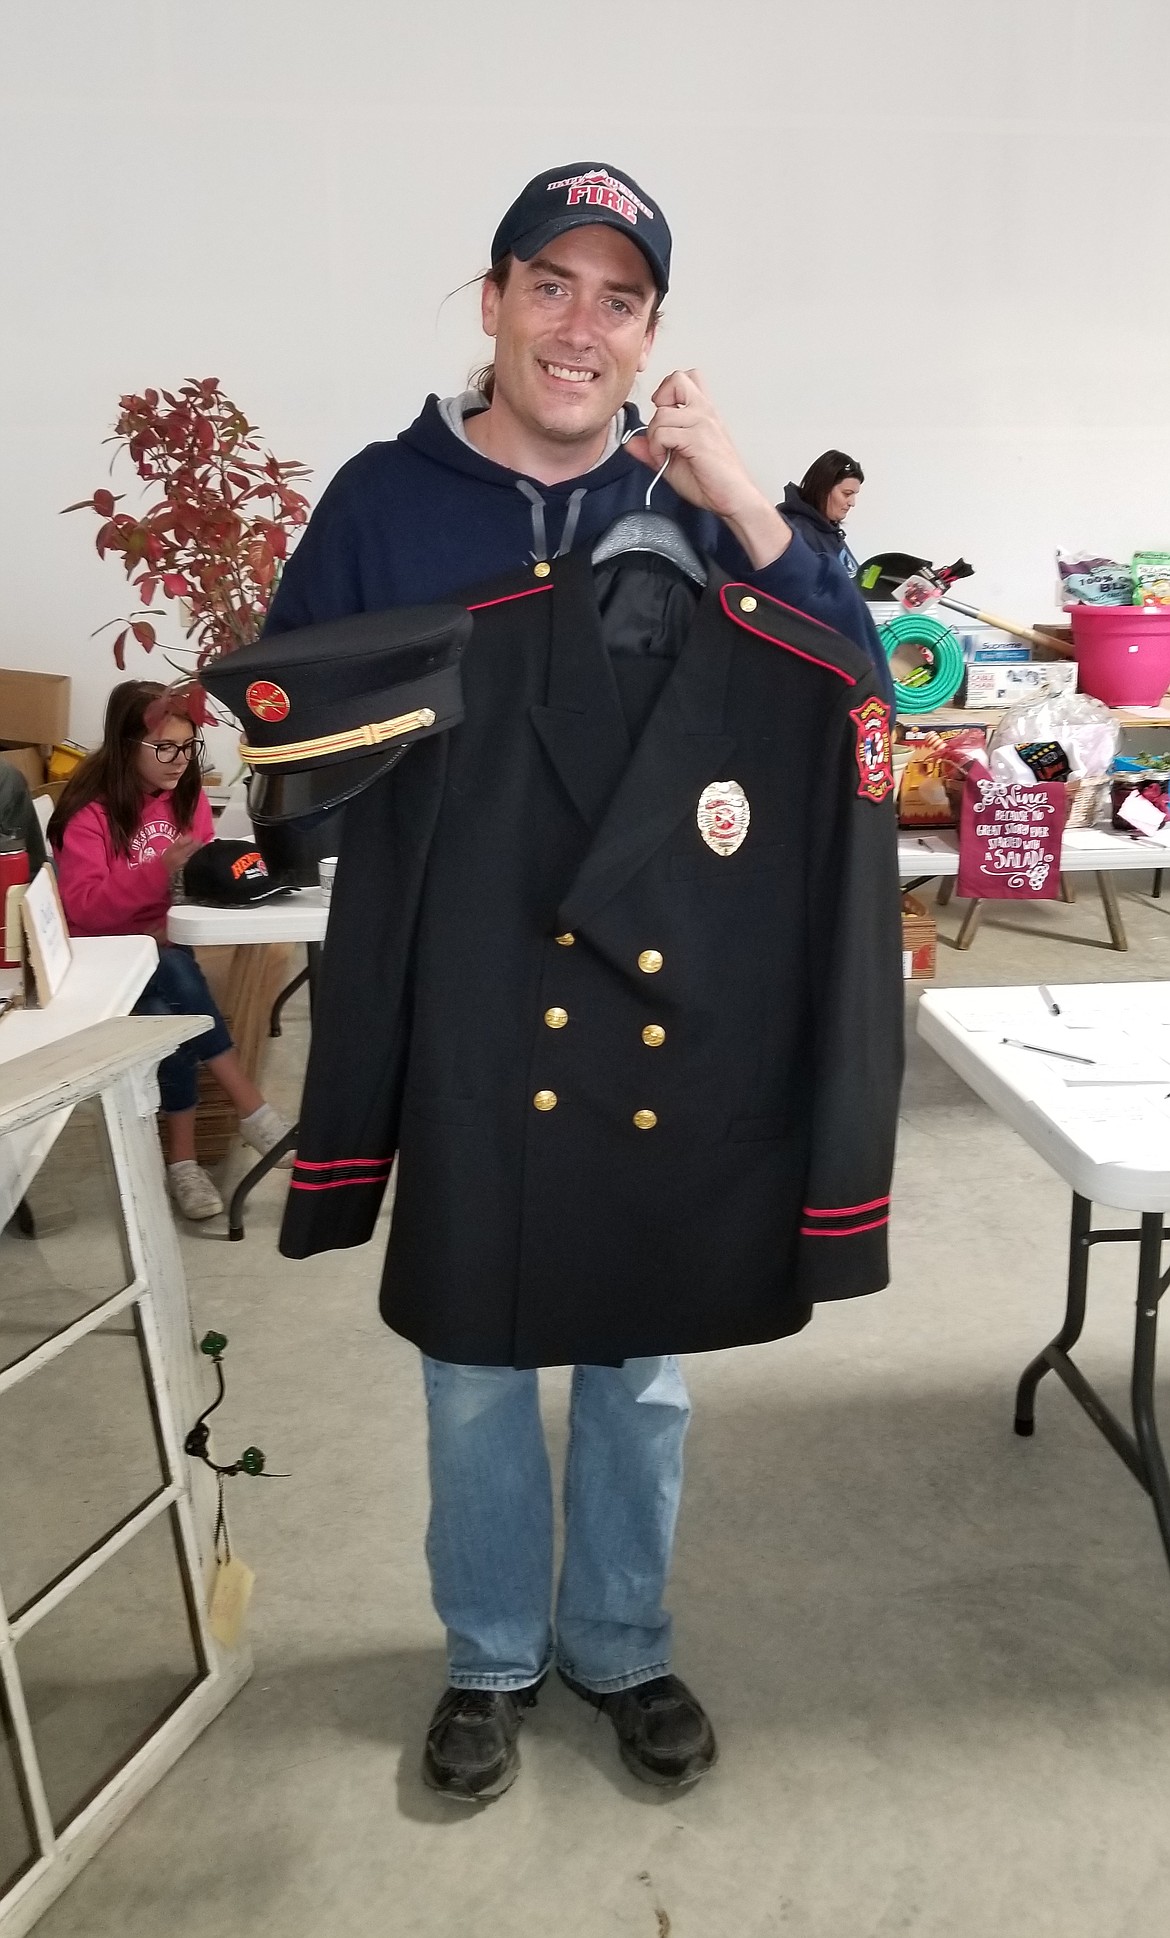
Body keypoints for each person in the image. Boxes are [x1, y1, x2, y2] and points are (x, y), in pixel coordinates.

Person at [261, 161, 900, 1801]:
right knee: (473, 1360)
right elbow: (290, 734)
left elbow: (861, 714)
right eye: (552, 283)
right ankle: (489, 1654)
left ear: (652, 334)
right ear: (489, 300)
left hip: (667, 1005)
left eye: (620, 299)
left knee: (643, 1363)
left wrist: (754, 506)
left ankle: (620, 1639)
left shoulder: (697, 498)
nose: (581, 325)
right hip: (476, 994)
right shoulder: (384, 503)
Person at [49, 680, 293, 1221]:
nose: (178, 761)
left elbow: (196, 883)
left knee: (169, 1009)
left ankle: (183, 1163)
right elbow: (84, 910)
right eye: (164, 748)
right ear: (124, 745)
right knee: (171, 972)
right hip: (103, 959)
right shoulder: (89, 813)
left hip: (164, 955)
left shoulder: (188, 797)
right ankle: (247, 1105)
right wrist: (156, 873)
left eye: (187, 747)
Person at [778, 452, 892, 700]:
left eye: (855, 495)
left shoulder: (829, 533)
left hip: (844, 654)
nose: (852, 503)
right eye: (847, 494)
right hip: (818, 663)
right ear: (823, 488)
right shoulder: (796, 532)